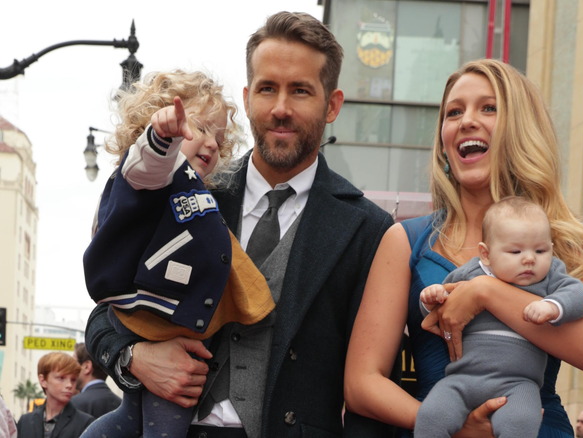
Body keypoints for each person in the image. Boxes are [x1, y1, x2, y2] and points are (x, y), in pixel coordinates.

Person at [84, 11, 395, 438]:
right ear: (248, 98)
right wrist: (135, 358)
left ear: (332, 105)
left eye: (301, 91)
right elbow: (108, 309)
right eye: (268, 89)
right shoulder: (190, 189)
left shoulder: (367, 229)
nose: (281, 108)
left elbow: (368, 390)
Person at [344, 58, 583, 438]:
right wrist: (450, 426)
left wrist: (485, 292)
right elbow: (361, 384)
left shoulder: (570, 240)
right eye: (453, 112)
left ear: (521, 128)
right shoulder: (406, 240)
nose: (466, 121)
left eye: (488, 108)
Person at [82, 69, 276, 438]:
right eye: (200, 128)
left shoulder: (194, 189)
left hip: (161, 321)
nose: (211, 144)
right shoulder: (157, 171)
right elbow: (148, 164)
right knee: (164, 425)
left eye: (219, 138)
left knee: (129, 419)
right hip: (161, 323)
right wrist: (162, 136)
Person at [414, 196, 583, 437]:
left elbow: (580, 295)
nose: (529, 258)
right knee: (431, 416)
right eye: (515, 251)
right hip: (463, 378)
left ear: (551, 249)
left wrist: (553, 306)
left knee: (519, 422)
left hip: (518, 383)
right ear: (486, 254)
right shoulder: (470, 273)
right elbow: (440, 310)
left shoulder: (550, 276)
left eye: (540, 250)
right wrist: (431, 297)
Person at [16, 352, 94, 438]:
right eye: (61, 378)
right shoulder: (25, 421)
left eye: (73, 380)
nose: (69, 385)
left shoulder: (85, 423)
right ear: (43, 381)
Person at [71, 342, 121, 418]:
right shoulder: (120, 403)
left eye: (73, 364)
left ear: (86, 367)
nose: (69, 370)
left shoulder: (73, 404)